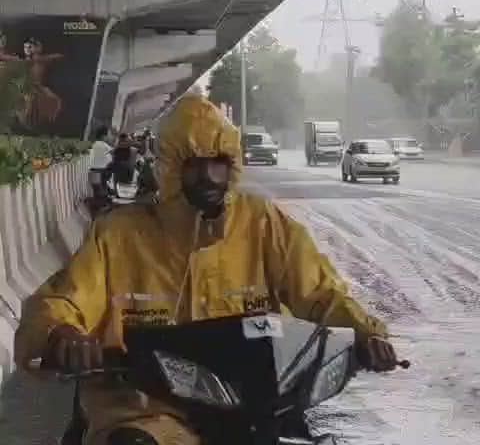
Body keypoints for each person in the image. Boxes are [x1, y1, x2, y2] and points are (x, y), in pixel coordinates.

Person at [14, 93, 399, 445]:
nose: (210, 178)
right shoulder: (118, 235)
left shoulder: (263, 224)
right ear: (170, 167)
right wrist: (61, 333)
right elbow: (65, 299)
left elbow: (320, 292)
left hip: (253, 406)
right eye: (196, 165)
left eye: (220, 163)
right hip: (146, 408)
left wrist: (365, 333)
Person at [87, 127, 112, 202]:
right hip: (102, 171)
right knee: (102, 189)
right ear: (103, 136)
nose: (109, 136)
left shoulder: (93, 144)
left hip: (92, 170)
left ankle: (96, 205)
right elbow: (114, 153)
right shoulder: (104, 145)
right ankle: (101, 205)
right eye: (108, 134)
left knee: (96, 190)